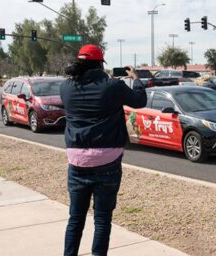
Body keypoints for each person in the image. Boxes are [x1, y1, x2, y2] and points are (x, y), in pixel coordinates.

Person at [61, 44, 147, 256]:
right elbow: (140, 101)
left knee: (75, 218)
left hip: (77, 161)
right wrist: (135, 78)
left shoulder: (66, 87)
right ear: (100, 63)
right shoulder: (112, 86)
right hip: (107, 162)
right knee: (102, 218)